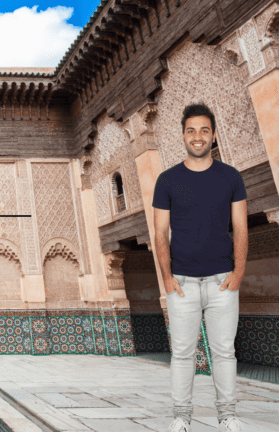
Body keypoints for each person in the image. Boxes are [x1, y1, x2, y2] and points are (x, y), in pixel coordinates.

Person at [152, 103, 247, 432]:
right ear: (183, 136)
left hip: (223, 280)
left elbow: (241, 228)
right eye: (191, 130)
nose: (198, 136)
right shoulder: (167, 180)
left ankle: (228, 415)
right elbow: (159, 233)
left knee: (223, 352)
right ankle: (181, 417)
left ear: (213, 135)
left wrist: (238, 274)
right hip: (182, 283)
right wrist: (166, 277)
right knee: (182, 354)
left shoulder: (231, 177)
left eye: (204, 130)